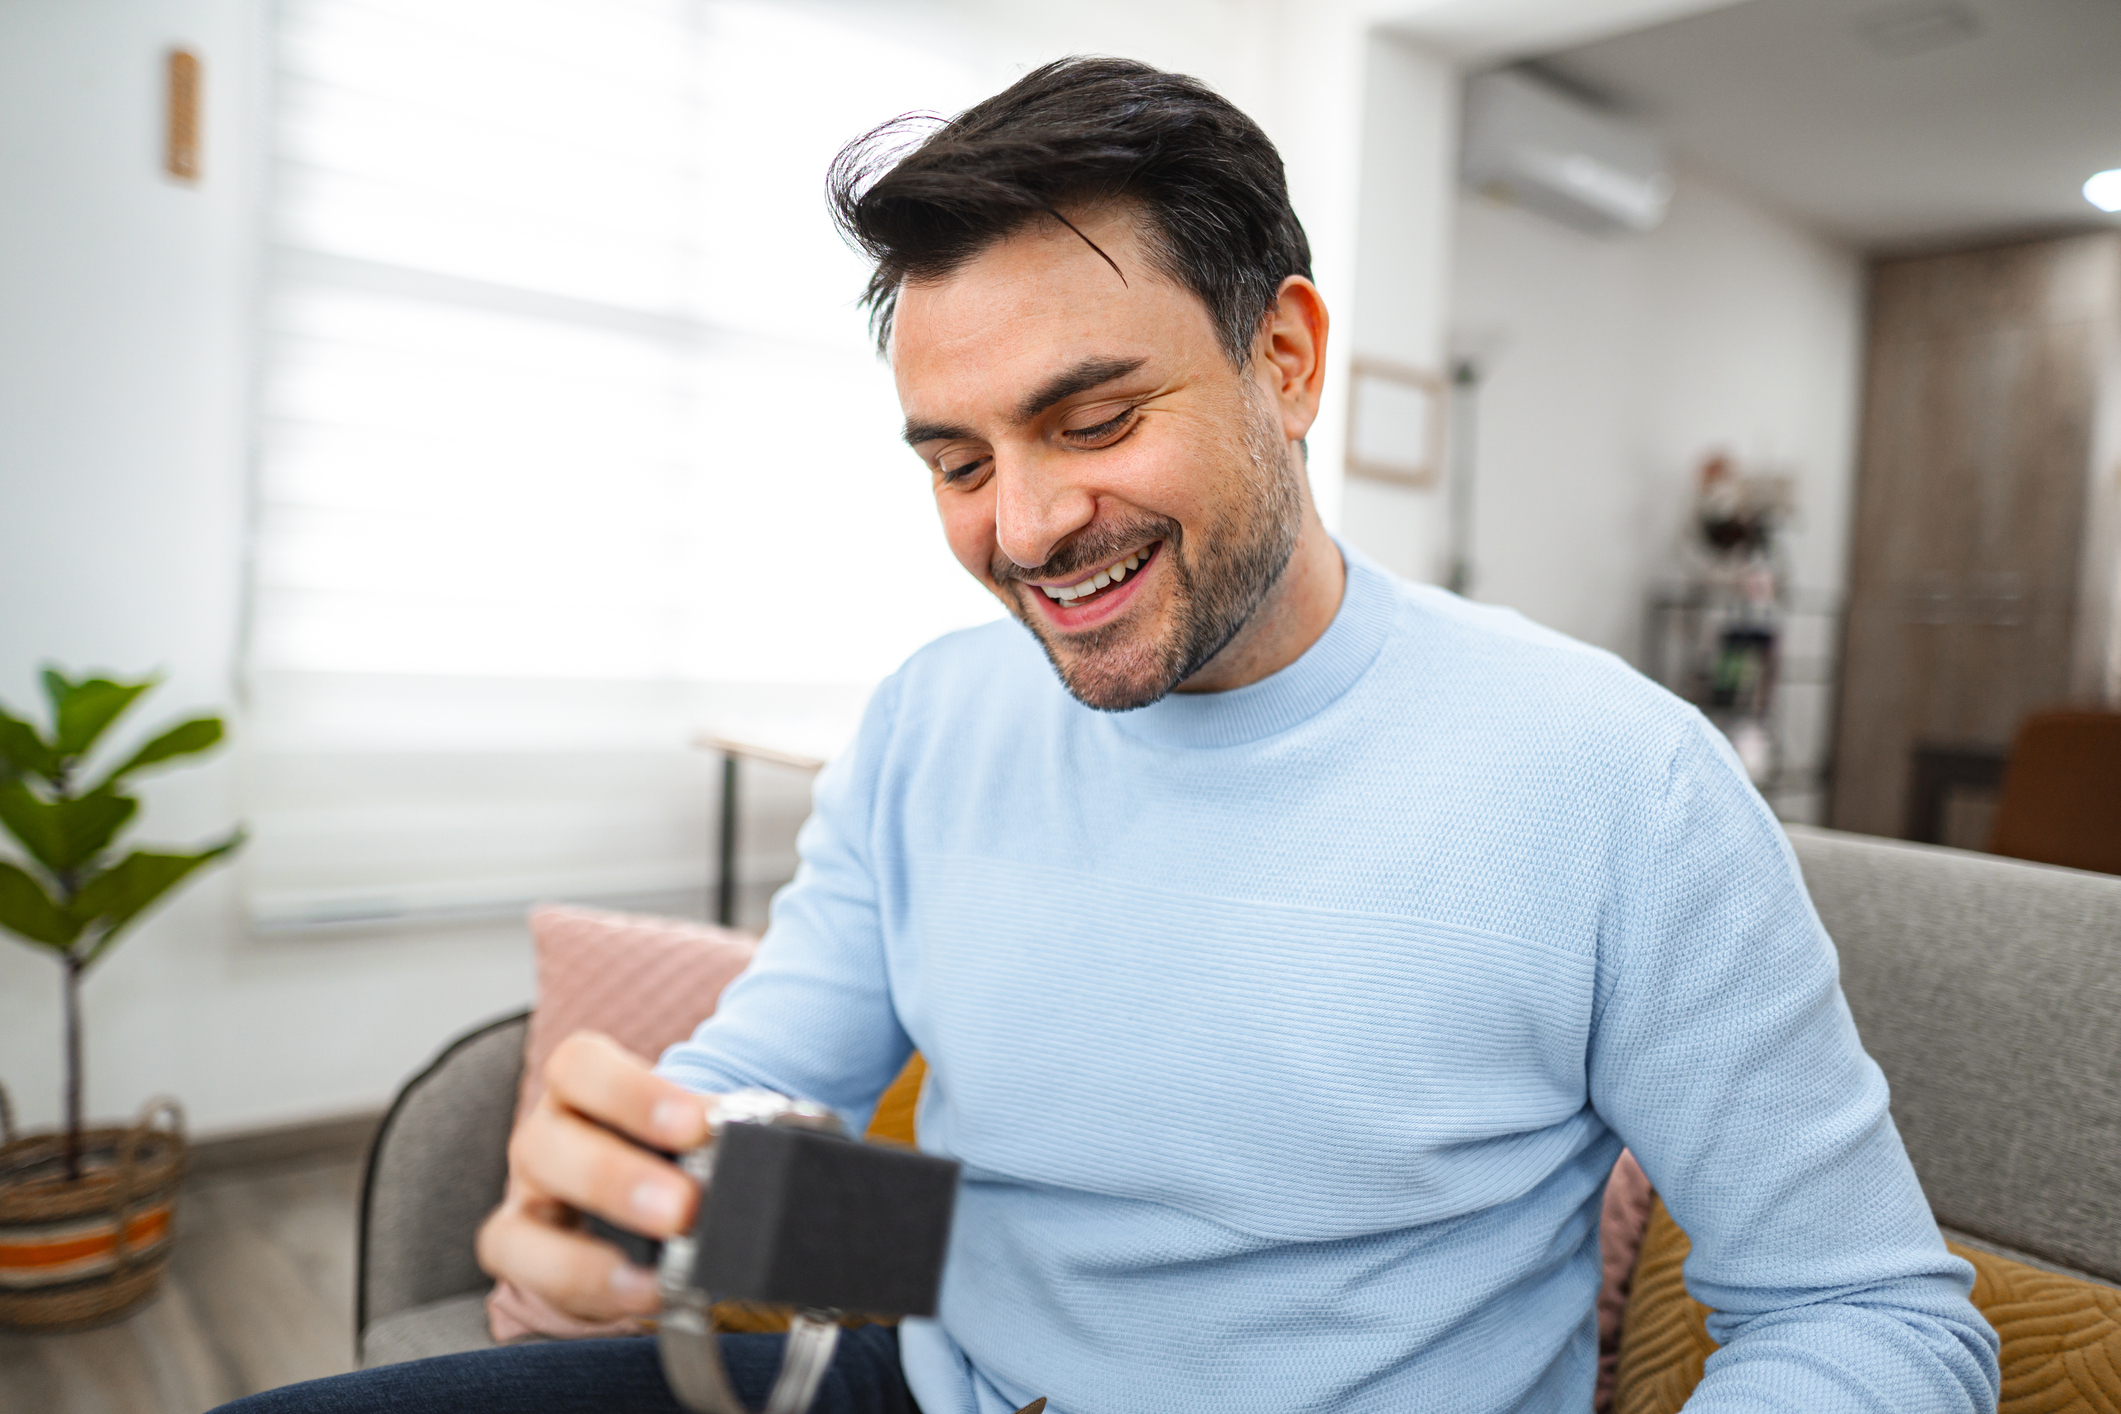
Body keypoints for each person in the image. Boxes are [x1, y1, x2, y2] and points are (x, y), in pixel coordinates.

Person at [223, 57, 1999, 1414]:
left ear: (1284, 360)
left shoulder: (1617, 782)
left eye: (1092, 416)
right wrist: (643, 1184)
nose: (1021, 525)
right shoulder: (932, 718)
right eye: (957, 458)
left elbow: (1871, 1317)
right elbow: (785, 1088)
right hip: (913, 1380)